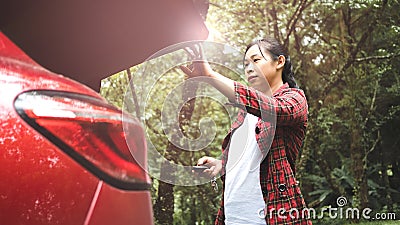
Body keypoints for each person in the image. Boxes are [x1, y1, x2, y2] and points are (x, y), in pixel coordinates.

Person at [180, 37, 312, 225]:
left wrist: (210, 76)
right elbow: (248, 159)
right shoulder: (244, 115)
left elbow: (274, 109)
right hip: (233, 217)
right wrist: (221, 164)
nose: (249, 68)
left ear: (279, 62)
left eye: (256, 60)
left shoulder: (294, 99)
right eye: (246, 64)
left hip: (272, 216)